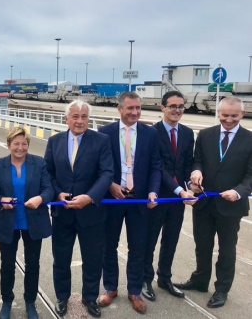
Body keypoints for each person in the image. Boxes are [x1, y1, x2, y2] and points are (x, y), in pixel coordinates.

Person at [174, 96, 252, 308]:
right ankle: (200, 280)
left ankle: (221, 289)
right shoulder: (206, 135)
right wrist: (196, 171)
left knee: (227, 250)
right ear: (218, 113)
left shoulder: (250, 139)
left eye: (233, 116)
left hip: (231, 206)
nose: (228, 120)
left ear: (242, 115)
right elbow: (197, 159)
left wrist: (238, 192)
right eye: (224, 115)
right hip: (204, 202)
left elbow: (250, 176)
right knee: (202, 245)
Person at [44, 100, 114, 318]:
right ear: (67, 119)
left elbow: (107, 173)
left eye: (84, 116)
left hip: (91, 213)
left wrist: (90, 197)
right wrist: (57, 193)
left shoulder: (101, 140)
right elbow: (48, 173)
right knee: (61, 259)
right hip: (63, 212)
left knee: (93, 258)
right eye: (75, 116)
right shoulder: (54, 141)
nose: (80, 121)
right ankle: (62, 297)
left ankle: (90, 297)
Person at [97, 92, 162, 314]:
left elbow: (156, 167)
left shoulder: (150, 133)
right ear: (119, 109)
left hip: (140, 199)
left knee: (138, 247)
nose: (134, 112)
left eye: (138, 108)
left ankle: (134, 291)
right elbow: (100, 167)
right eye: (130, 108)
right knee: (109, 246)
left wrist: (153, 192)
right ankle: (110, 287)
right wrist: (111, 185)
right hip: (113, 198)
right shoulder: (104, 133)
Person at [0, 127, 54, 319]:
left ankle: (30, 302)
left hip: (32, 222)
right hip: (8, 222)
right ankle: (7, 301)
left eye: (24, 143)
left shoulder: (39, 163)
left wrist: (40, 199)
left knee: (32, 265)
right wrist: (1, 200)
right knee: (7, 265)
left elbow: (48, 189)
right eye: (16, 144)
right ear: (8, 145)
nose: (20, 147)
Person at [142, 91, 196, 302]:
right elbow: (158, 167)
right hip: (157, 195)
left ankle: (164, 277)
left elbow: (187, 164)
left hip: (177, 199)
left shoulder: (187, 133)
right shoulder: (151, 133)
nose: (177, 110)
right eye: (172, 106)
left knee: (171, 239)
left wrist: (191, 183)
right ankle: (146, 279)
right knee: (150, 240)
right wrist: (179, 190)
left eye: (180, 106)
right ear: (162, 108)